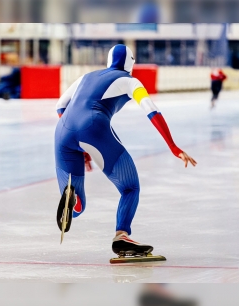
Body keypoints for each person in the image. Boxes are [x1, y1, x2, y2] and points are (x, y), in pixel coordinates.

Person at [55, 44, 197, 256]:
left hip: (63, 131)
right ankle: (121, 235)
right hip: (94, 128)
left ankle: (73, 201)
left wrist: (80, 144)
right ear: (131, 63)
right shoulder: (130, 81)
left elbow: (60, 106)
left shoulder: (86, 77)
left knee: (78, 209)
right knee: (130, 188)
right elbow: (151, 110)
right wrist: (173, 146)